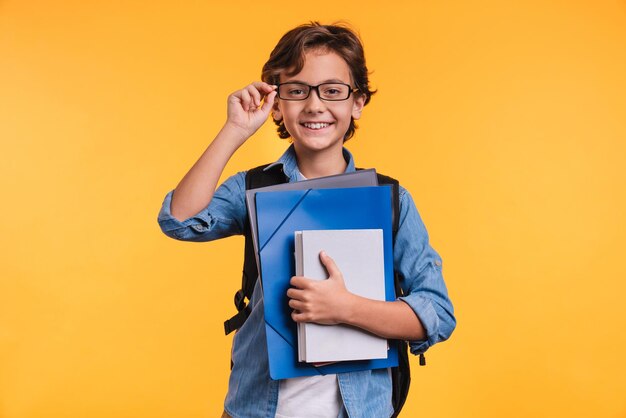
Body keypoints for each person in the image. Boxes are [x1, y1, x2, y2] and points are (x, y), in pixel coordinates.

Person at [158, 22, 455, 418]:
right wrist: (234, 130)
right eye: (297, 91)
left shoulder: (390, 200)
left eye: (333, 91)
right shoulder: (254, 187)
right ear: (277, 103)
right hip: (256, 408)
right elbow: (180, 220)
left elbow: (437, 314)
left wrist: (346, 308)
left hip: (360, 409)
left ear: (358, 102)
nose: (315, 105)